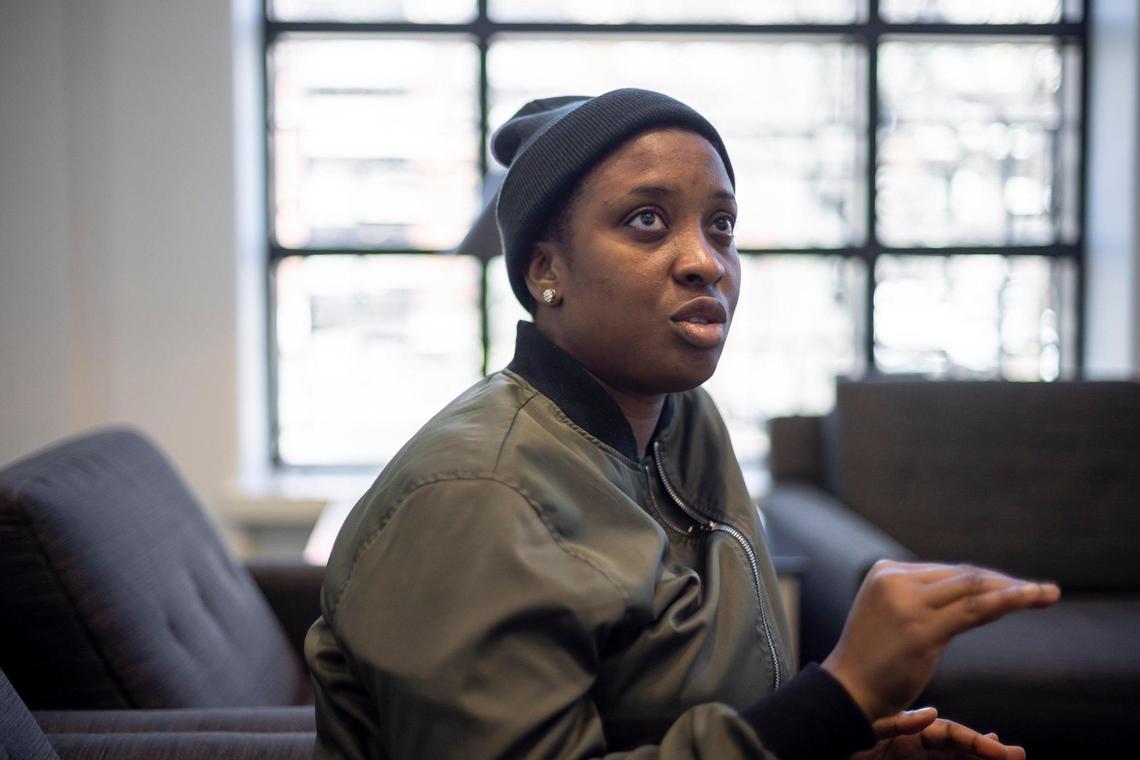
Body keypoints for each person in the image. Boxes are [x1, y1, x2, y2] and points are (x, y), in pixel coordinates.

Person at [305, 88, 1060, 759]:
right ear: (546, 271)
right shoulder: (474, 495)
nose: (706, 261)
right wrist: (840, 693)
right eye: (646, 221)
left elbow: (689, 716)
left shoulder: (682, 419)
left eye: (722, 225)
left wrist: (835, 740)